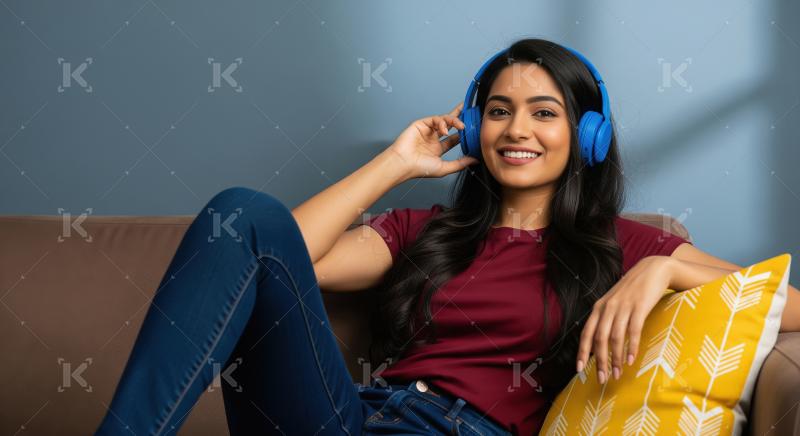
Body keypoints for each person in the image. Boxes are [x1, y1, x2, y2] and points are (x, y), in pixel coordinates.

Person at [95, 37, 696, 435]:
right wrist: (396, 164)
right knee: (242, 210)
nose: (517, 129)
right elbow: (268, 253)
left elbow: (785, 302)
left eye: (543, 112)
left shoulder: (621, 245)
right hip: (352, 418)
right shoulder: (426, 231)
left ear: (587, 135)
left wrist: (662, 271)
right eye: (498, 110)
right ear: (473, 126)